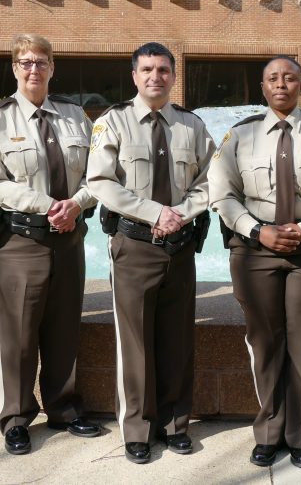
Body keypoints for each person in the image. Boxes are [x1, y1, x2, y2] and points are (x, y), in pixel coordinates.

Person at [208, 55, 301, 469]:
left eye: (289, 78)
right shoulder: (239, 136)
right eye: (273, 78)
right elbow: (222, 194)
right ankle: (270, 430)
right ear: (263, 87)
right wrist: (260, 231)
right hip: (255, 252)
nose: (281, 84)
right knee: (265, 342)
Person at [0, 34, 100, 456]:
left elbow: (99, 173)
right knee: (18, 336)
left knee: (64, 329)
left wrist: (76, 205)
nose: (33, 69)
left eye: (41, 61)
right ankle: (16, 417)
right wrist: (50, 206)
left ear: (52, 67)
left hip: (69, 238)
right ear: (14, 68)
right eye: (25, 62)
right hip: (19, 242)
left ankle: (63, 406)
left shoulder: (75, 115)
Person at [86, 42, 214, 465]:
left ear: (173, 76)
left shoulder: (191, 126)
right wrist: (154, 212)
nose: (155, 77)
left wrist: (181, 213)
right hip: (135, 245)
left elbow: (212, 179)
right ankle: (138, 429)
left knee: (178, 339)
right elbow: (102, 181)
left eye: (163, 69)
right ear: (134, 76)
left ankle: (176, 425)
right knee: (136, 343)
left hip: (180, 246)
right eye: (147, 70)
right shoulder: (114, 122)